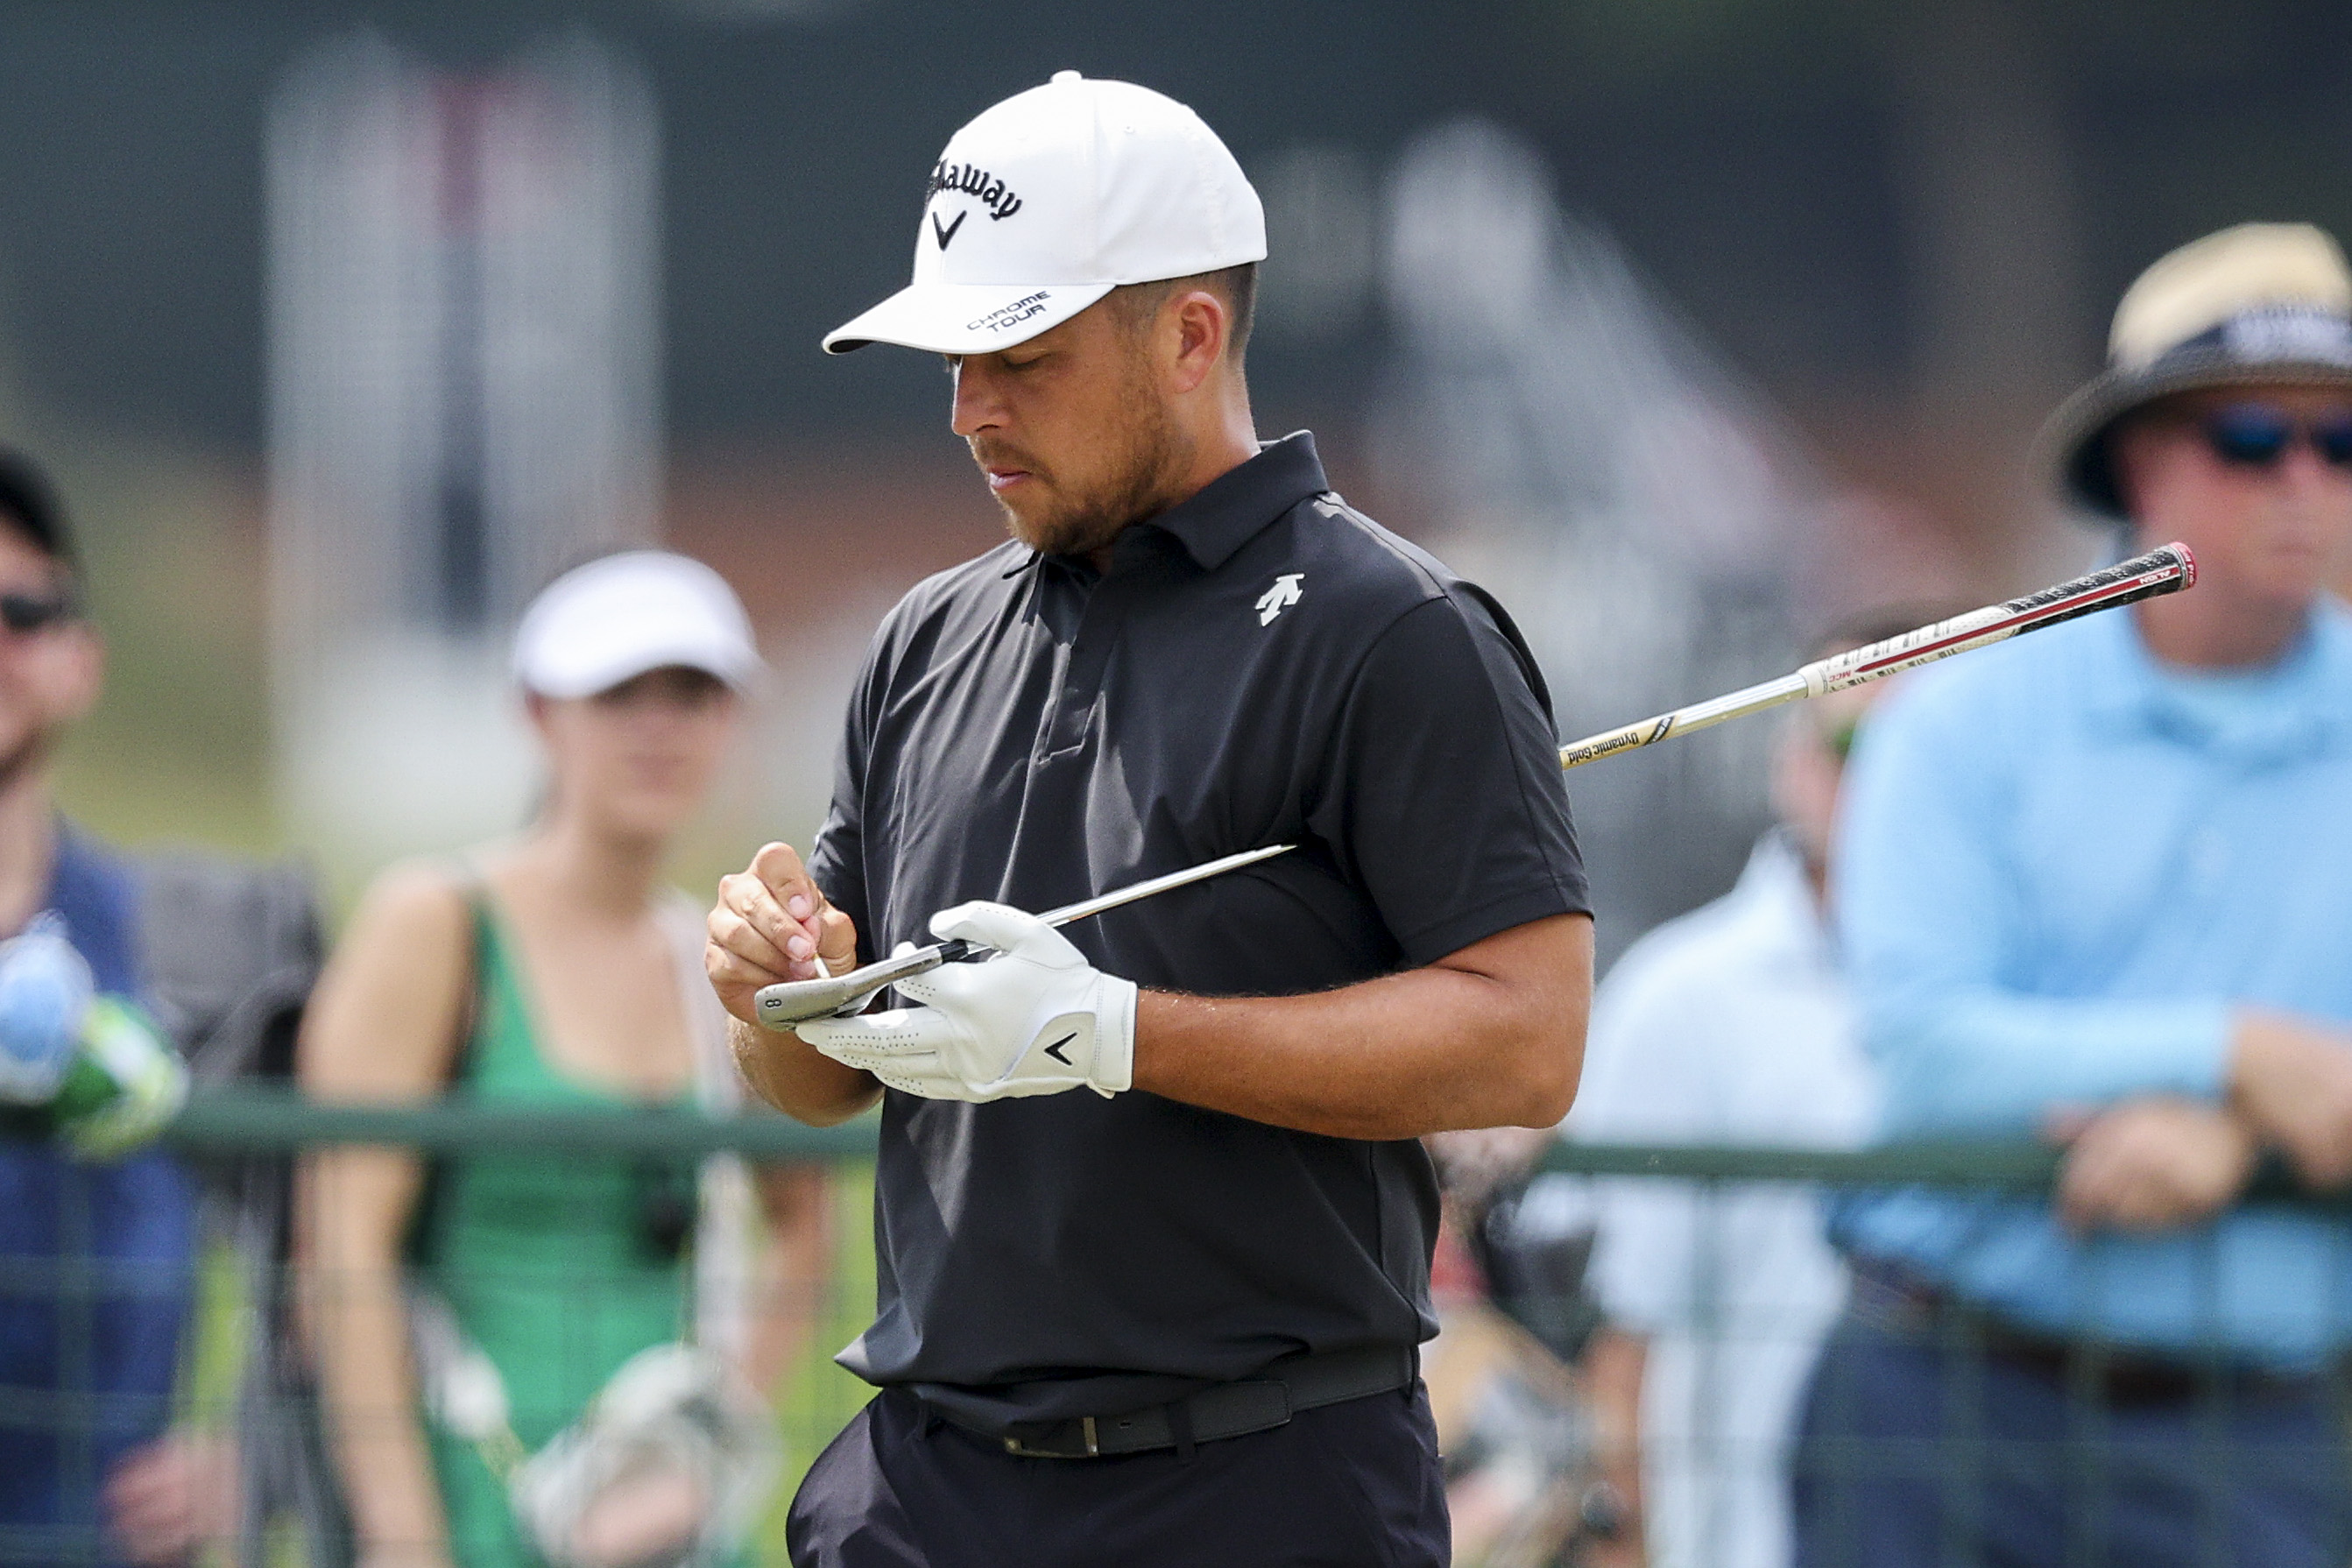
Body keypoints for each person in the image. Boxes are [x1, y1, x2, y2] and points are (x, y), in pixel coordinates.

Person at [705, 71, 1593, 1568]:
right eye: (954, 362)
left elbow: (1528, 1040)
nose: (969, 411)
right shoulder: (926, 640)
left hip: (1258, 1485)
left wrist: (1114, 1032)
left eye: (1023, 358)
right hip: (926, 1489)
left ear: (1187, 336)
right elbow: (819, 1084)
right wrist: (772, 996)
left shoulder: (1393, 627)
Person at [1794, 222, 2352, 1567]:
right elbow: (1927, 1056)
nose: (2303, 480)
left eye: (2339, 443)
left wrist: (2241, 1140)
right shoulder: (1961, 721)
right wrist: (2242, 1054)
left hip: (2261, 1433)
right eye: (2250, 438)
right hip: (1938, 1399)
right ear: (2140, 461)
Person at [299, 552, 825, 1568]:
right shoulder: (436, 922)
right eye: (619, 692)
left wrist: (707, 1451)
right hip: (470, 1506)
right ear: (539, 713)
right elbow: (342, 1245)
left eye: (692, 692)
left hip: (669, 1534)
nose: (659, 726)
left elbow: (804, 1222)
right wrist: (403, 1534)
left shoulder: (716, 959)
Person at [1553, 614, 1932, 1568]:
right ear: (1789, 764)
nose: (1891, 781)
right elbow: (1618, 1344)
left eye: (1927, 752)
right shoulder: (1681, 996)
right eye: (1852, 747)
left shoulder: (2051, 993)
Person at [0, 449, 222, 1567]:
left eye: (20, 612)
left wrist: (250, 1447)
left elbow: (333, 1236)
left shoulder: (179, 949)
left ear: (83, 659)